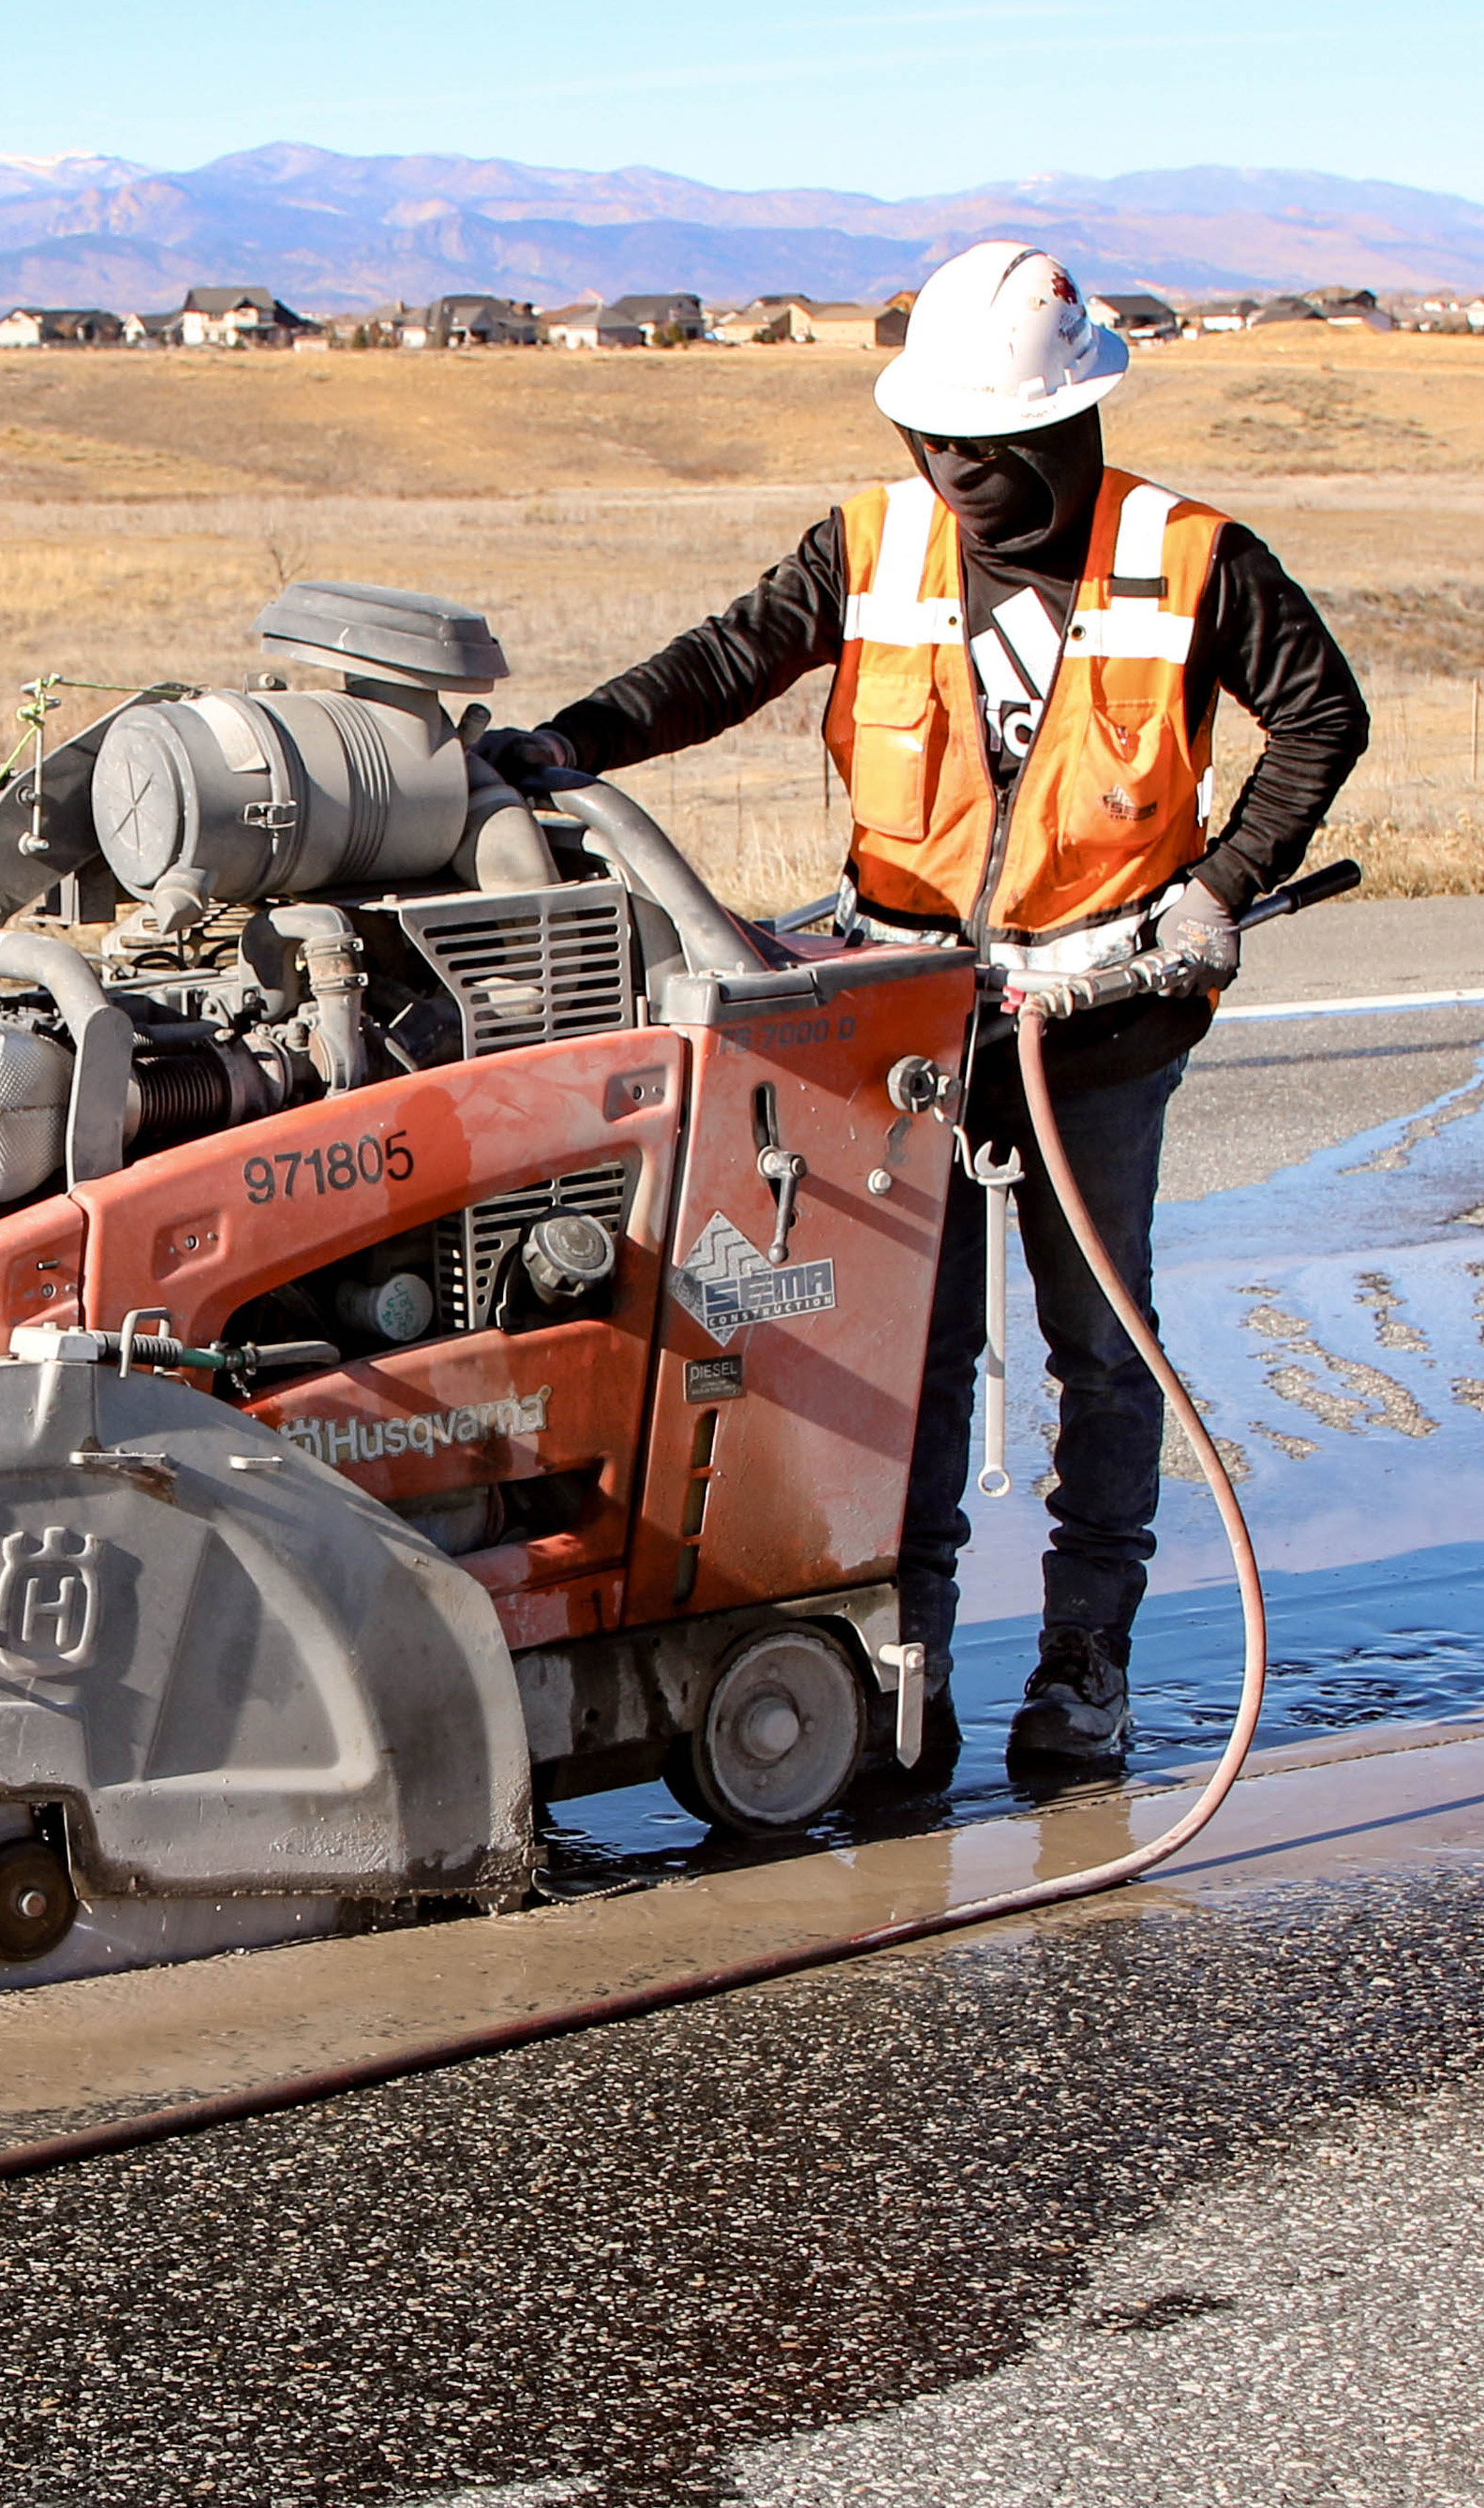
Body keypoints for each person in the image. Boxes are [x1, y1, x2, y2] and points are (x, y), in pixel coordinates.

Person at [481, 240, 1368, 1778]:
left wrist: (1216, 888)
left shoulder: (1187, 555)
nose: (952, 469)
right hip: (901, 1035)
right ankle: (914, 1673)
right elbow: (722, 663)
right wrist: (558, 748)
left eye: (983, 447)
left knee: (1100, 1352)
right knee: (907, 1362)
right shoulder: (873, 545)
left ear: (1064, 428)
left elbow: (1320, 716)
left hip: (1100, 1024)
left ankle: (1084, 1660)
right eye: (931, 440)